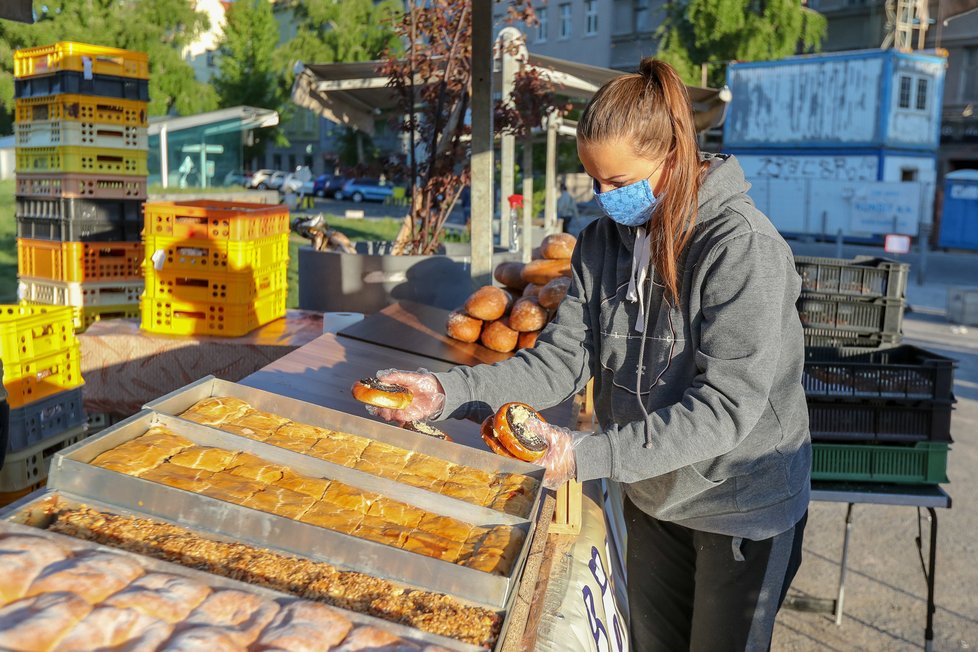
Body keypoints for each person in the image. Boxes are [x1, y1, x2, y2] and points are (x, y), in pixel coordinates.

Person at [369, 58, 810, 651]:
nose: (604, 199)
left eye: (620, 183)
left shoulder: (741, 249)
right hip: (653, 492)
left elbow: (726, 410)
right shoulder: (602, 244)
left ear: (674, 156)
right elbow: (558, 363)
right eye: (594, 181)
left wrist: (584, 452)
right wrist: (448, 393)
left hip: (740, 504)